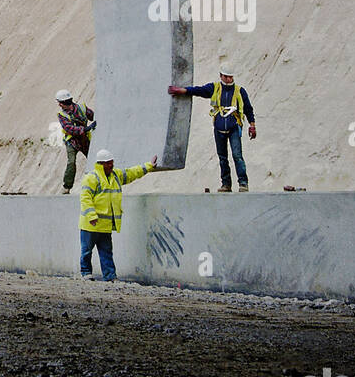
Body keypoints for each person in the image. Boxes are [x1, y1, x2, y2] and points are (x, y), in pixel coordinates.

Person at [168, 60, 256, 191]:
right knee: (222, 157)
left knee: (237, 155)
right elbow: (199, 90)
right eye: (226, 76)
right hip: (219, 128)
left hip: (233, 127)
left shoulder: (239, 91)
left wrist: (252, 125)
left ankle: (243, 183)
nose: (228, 79)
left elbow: (248, 108)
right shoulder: (214, 88)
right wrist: (183, 91)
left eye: (230, 76)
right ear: (221, 76)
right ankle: (226, 184)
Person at [80, 148, 157, 281]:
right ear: (101, 164)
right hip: (90, 225)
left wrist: (148, 166)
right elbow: (85, 199)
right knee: (86, 251)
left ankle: (110, 276)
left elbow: (132, 173)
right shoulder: (91, 178)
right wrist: (92, 216)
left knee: (106, 252)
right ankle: (86, 273)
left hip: (105, 225)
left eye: (112, 162)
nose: (111, 165)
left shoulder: (115, 175)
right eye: (109, 163)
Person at [55, 89, 96, 193]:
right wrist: (85, 129)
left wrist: (95, 121)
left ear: (65, 102)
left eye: (60, 103)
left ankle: (98, 182)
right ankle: (67, 187)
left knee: (94, 161)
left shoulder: (82, 108)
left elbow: (93, 116)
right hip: (72, 142)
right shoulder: (62, 115)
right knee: (71, 162)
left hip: (84, 140)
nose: (59, 105)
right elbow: (68, 128)